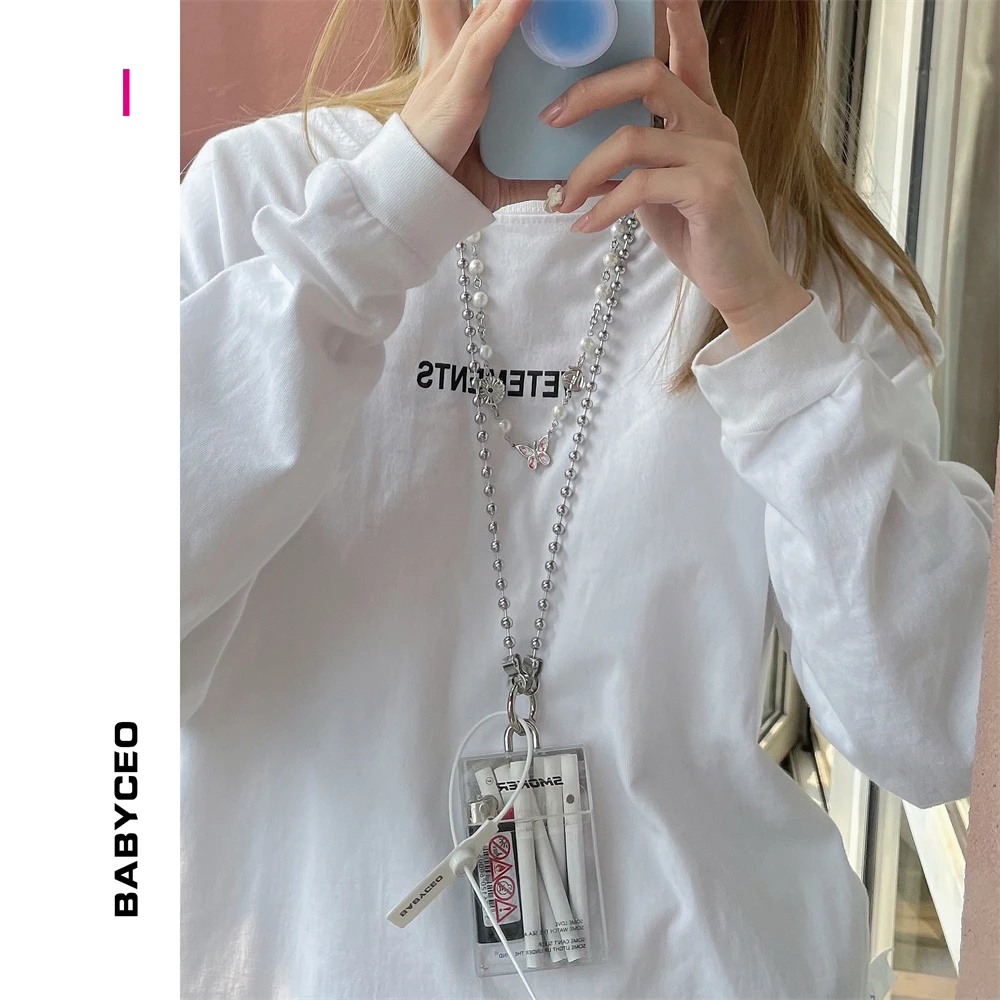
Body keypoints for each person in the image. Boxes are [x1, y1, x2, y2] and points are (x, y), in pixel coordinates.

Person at [180, 0, 993, 996]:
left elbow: (941, 735)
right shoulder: (271, 201)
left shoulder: (790, 260)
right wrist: (375, 230)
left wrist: (769, 329)